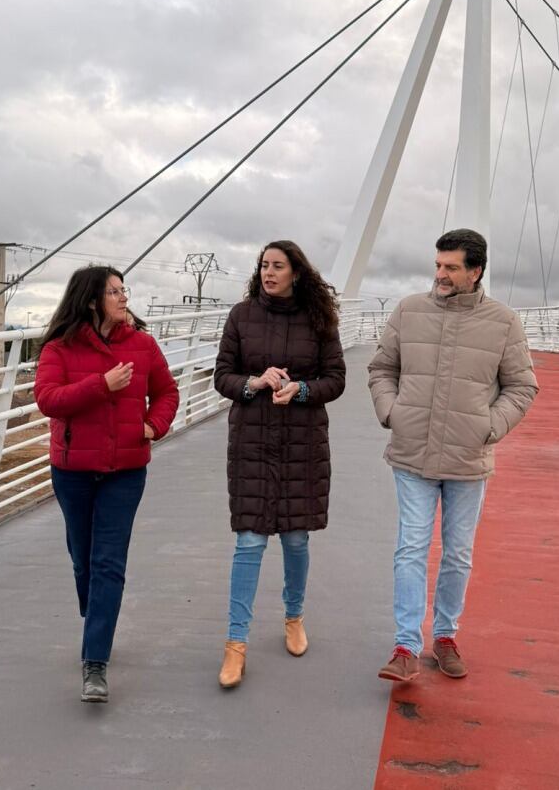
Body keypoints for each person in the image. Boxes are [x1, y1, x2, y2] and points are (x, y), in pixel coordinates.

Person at [368, 228, 538, 682]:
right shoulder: (409, 311)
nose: (439, 274)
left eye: (451, 267)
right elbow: (382, 368)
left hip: (468, 459)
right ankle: (406, 646)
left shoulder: (503, 322)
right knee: (411, 548)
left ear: (475, 271)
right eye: (437, 265)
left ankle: (445, 636)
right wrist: (391, 412)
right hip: (413, 453)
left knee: (458, 554)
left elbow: (523, 386)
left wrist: (490, 426)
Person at [34, 265, 180, 702]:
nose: (123, 297)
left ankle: (94, 661)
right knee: (83, 559)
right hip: (73, 472)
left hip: (125, 471)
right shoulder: (59, 347)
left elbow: (168, 392)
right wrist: (102, 384)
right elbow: (48, 400)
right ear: (93, 299)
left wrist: (155, 426)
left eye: (124, 290)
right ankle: (96, 611)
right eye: (114, 291)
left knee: (107, 564)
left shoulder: (143, 344)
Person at [212, 240, 346, 689]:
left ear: (296, 272)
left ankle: (293, 616)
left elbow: (336, 379)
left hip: (302, 443)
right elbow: (222, 375)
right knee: (249, 542)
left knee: (295, 539)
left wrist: (301, 391)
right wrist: (255, 381)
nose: (268, 272)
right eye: (263, 265)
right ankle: (235, 645)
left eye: (277, 266)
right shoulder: (241, 315)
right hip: (251, 441)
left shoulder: (319, 320)